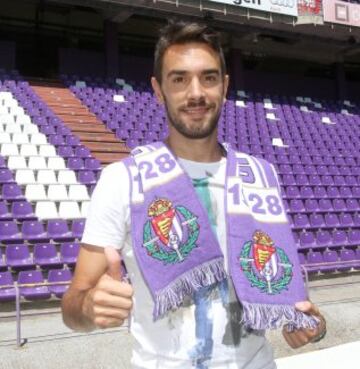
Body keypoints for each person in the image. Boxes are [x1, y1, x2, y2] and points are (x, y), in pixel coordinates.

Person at [61, 20, 326, 369]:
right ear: (158, 89)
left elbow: (289, 294)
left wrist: (313, 325)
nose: (196, 92)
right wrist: (89, 306)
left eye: (209, 77)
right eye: (179, 78)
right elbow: (72, 307)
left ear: (225, 86)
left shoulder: (261, 176)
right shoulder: (121, 180)